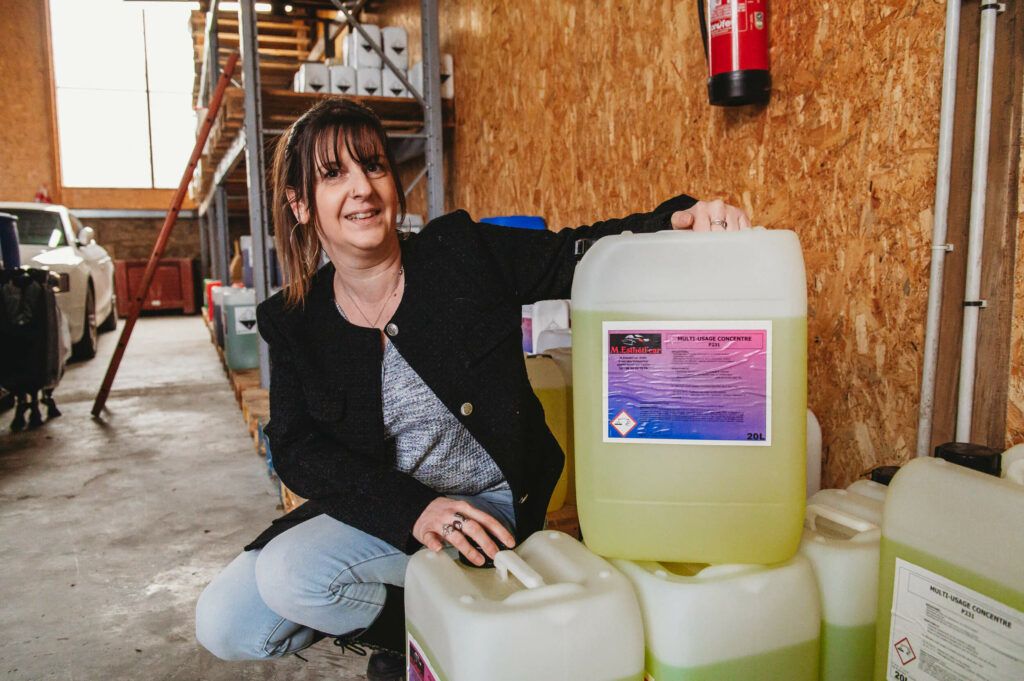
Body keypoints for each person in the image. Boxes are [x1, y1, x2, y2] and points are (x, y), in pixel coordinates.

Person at [194, 99, 750, 680]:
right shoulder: (296, 319)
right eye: (334, 174)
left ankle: (440, 644)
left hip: (488, 505)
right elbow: (297, 447)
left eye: (373, 165)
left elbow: (575, 253)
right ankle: (430, 633)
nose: (362, 188)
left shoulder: (457, 253)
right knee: (226, 621)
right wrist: (412, 510)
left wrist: (674, 222)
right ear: (301, 204)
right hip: (392, 506)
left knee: (292, 574)